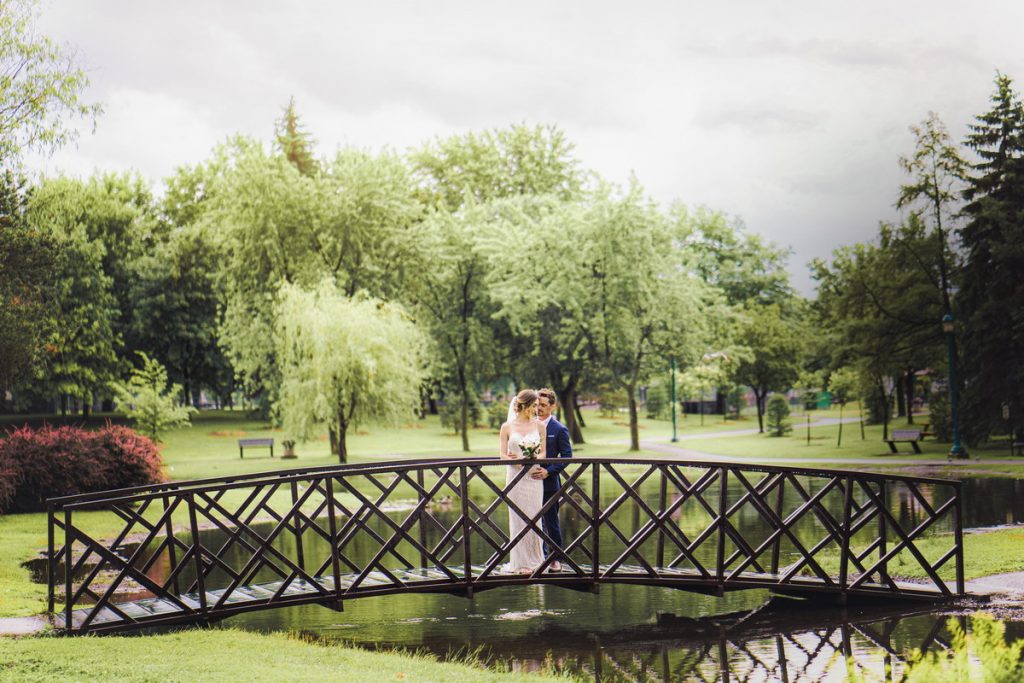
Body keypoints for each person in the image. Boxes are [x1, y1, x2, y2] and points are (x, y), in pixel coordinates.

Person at [498, 389, 546, 573]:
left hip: (533, 479)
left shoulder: (540, 426)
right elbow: (502, 454)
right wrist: (513, 460)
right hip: (515, 478)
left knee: (534, 517)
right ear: (524, 405)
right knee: (518, 519)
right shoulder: (507, 427)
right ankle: (521, 563)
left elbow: (544, 452)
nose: (536, 409)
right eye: (534, 405)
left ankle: (536, 560)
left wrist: (534, 457)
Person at [532, 388, 572, 571]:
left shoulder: (559, 429)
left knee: (551, 523)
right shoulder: (529, 425)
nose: (539, 408)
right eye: (537, 404)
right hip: (528, 484)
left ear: (552, 406)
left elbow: (567, 457)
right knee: (532, 522)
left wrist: (549, 472)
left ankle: (555, 559)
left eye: (543, 405)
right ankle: (538, 557)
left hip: (549, 484)